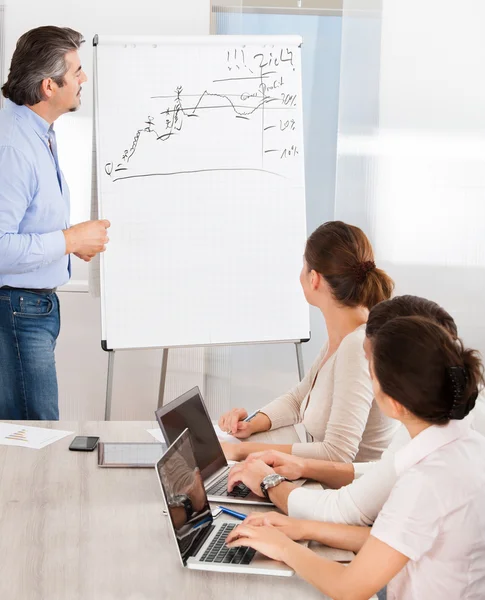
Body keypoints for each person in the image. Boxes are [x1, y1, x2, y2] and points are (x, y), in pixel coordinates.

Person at [226, 316, 485, 599]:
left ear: (395, 404)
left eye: (371, 376)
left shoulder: (424, 482)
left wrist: (283, 547)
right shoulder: (468, 445)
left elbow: (349, 588)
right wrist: (302, 528)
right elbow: (391, 540)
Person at [226, 296, 485, 521]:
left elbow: (344, 511)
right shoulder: (448, 416)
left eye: (372, 366)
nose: (371, 382)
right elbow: (384, 473)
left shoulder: (433, 447)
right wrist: (304, 467)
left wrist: (269, 482)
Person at [0, 26, 110, 420]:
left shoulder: (39, 133)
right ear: (49, 86)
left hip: (30, 308)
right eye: (77, 71)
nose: (83, 80)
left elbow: (26, 224)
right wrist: (68, 239)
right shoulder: (13, 145)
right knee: (35, 436)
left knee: (33, 432)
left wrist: (71, 243)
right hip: (16, 311)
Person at [219, 221, 396, 463]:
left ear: (314, 278)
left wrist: (242, 451)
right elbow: (298, 400)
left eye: (303, 266)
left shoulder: (357, 346)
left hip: (343, 490)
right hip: (325, 479)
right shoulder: (344, 335)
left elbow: (338, 453)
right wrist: (252, 424)